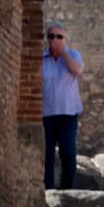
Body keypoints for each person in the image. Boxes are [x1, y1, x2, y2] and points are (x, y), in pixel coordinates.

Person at [40, 31, 85, 193]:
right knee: (47, 153)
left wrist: (63, 52)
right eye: (51, 36)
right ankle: (49, 189)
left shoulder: (74, 55)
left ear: (66, 39)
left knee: (68, 152)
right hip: (47, 113)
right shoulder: (41, 59)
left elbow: (77, 71)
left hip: (68, 113)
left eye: (60, 37)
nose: (55, 40)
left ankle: (68, 190)